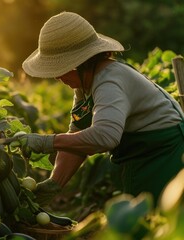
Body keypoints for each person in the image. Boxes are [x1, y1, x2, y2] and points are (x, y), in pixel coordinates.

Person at [16, 11, 184, 206]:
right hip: (141, 157)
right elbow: (77, 136)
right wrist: (55, 183)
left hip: (163, 157)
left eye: (60, 69)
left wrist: (48, 142)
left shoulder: (109, 80)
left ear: (78, 64)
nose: (56, 77)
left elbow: (105, 136)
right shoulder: (85, 83)